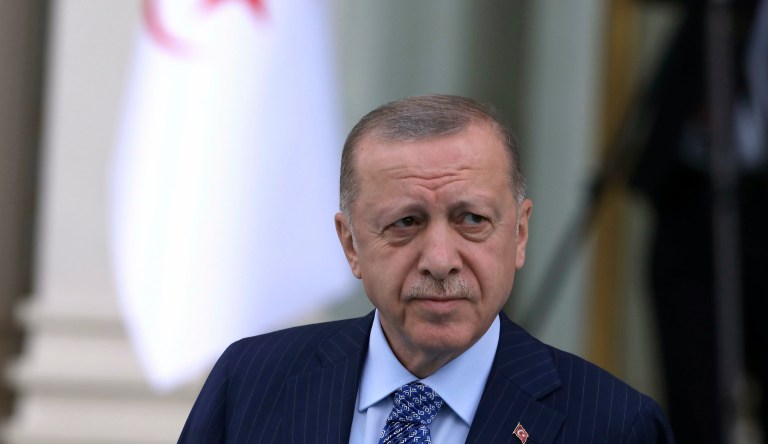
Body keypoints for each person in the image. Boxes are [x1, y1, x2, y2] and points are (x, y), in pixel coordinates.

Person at [179, 95, 675, 443]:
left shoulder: (613, 426)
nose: (440, 260)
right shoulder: (249, 384)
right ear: (351, 244)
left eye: (472, 220)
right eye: (406, 222)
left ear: (519, 234)